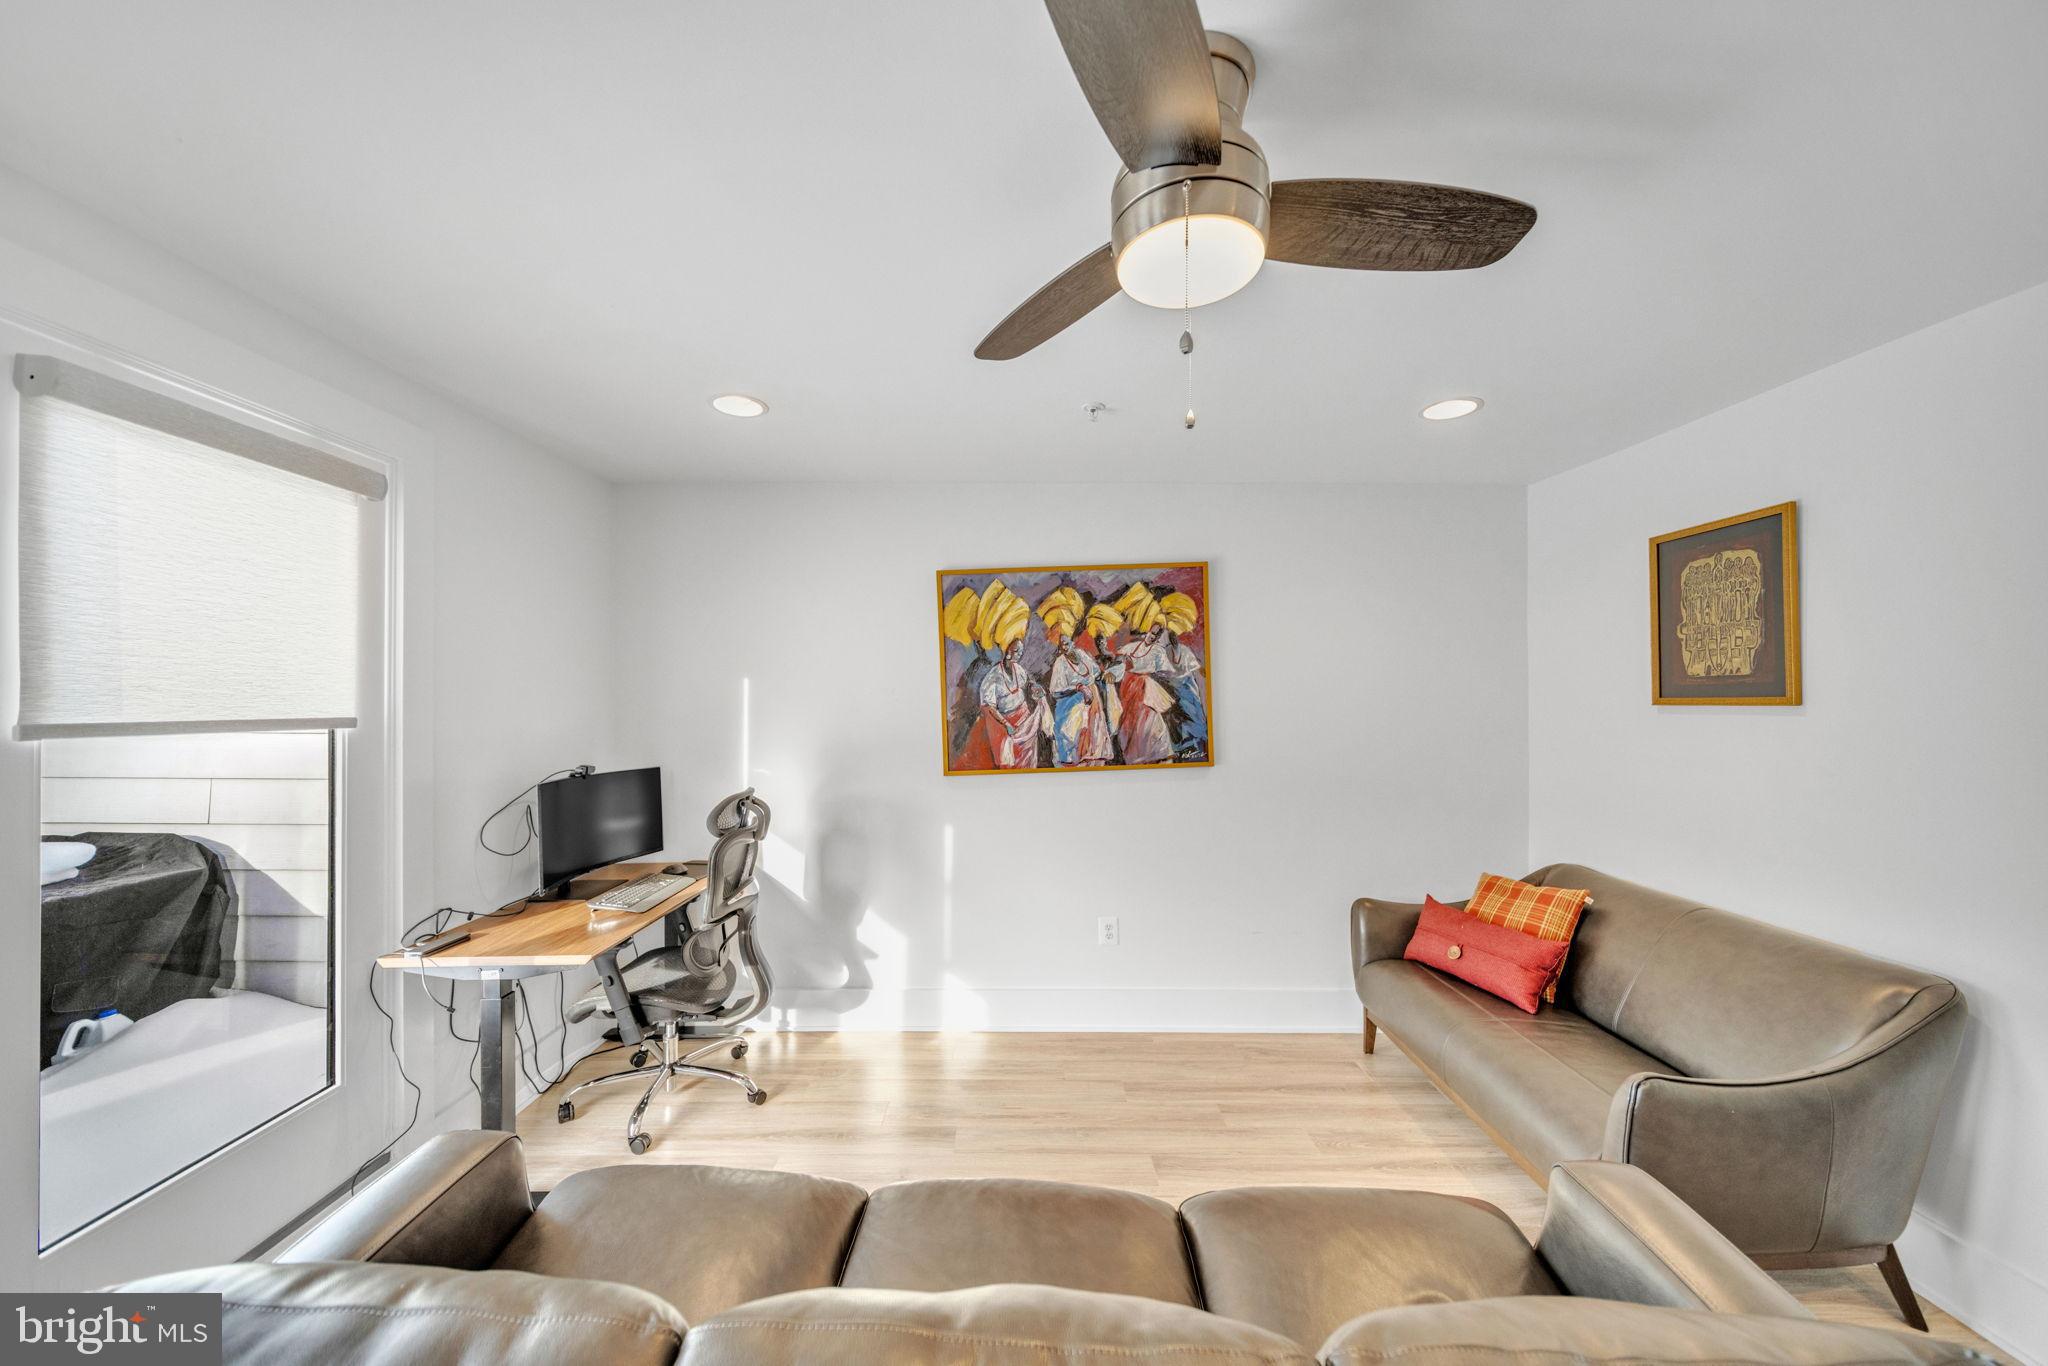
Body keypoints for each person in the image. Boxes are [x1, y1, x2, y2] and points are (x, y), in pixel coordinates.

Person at [955, 637, 1047, 770]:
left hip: (1025, 719)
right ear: (1007, 650)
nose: (1019, 655)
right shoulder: (993, 676)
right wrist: (1006, 724)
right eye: (1016, 651)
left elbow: (1028, 683)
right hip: (1004, 721)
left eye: (1021, 651)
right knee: (1009, 757)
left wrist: (1035, 688)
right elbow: (989, 706)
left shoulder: (1019, 669)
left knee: (1028, 754)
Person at [1046, 629, 1113, 766]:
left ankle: (1092, 758)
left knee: (1094, 734)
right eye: (1061, 644)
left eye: (1066, 643)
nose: (1064, 647)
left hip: (1092, 700)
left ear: (1072, 641)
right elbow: (1055, 690)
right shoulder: (1060, 662)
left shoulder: (1082, 654)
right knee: (1075, 737)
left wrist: (1104, 674)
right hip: (1071, 704)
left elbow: (1095, 672)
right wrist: (1078, 687)